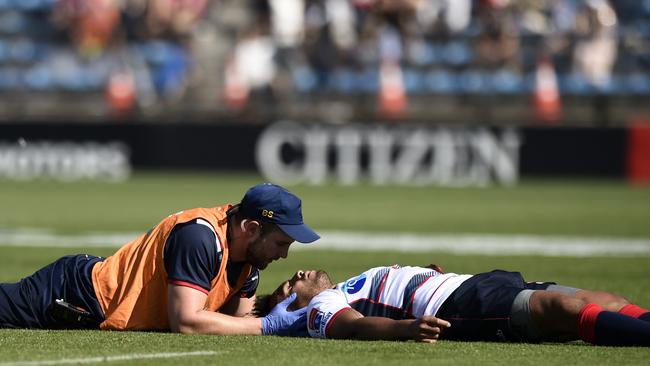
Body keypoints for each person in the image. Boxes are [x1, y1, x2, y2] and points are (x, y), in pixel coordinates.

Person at [0, 183, 318, 336]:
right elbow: (187, 322)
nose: (284, 254)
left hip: (97, 299)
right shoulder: (199, 238)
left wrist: (278, 305)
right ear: (251, 228)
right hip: (74, 293)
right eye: (281, 243)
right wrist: (271, 325)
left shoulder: (248, 265)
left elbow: (239, 324)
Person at [256, 264, 650, 346]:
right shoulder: (321, 307)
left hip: (470, 283)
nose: (300, 273)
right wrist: (406, 329)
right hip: (458, 304)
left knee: (601, 300)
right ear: (289, 305)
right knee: (560, 309)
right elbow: (352, 326)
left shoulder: (343, 285)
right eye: (289, 284)